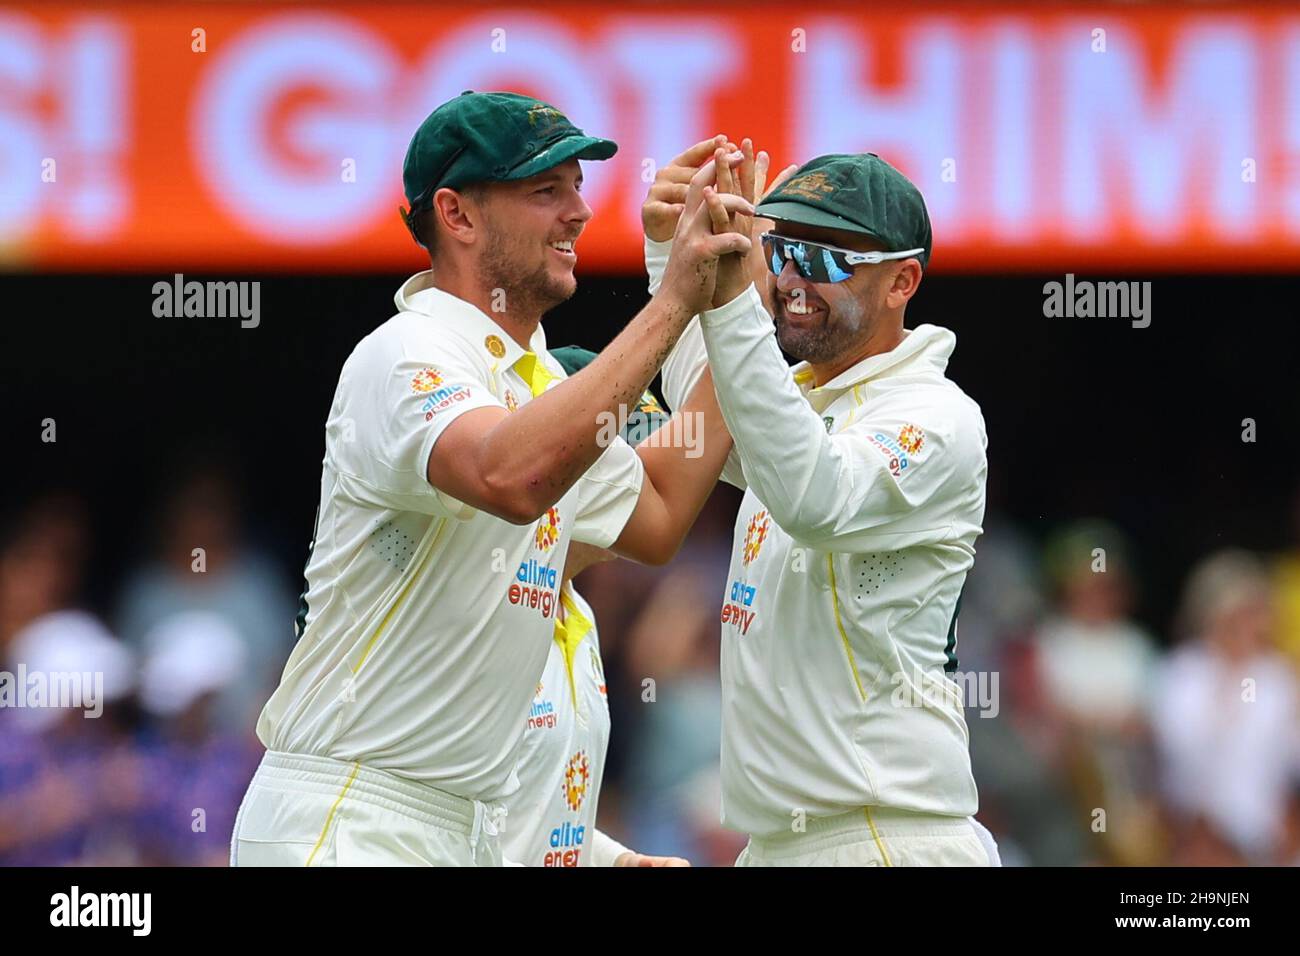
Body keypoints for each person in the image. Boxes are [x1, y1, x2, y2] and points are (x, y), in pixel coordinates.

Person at [232, 92, 751, 866]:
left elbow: (661, 511)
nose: (579, 212)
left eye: (577, 186)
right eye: (546, 191)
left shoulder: (540, 381)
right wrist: (674, 296)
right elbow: (510, 473)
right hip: (352, 814)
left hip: (456, 825)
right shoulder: (405, 352)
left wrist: (736, 308)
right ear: (458, 214)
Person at [648, 145, 997, 865]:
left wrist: (735, 302)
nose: (795, 277)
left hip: (886, 837)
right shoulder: (804, 406)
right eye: (784, 249)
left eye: (833, 257)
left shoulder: (936, 417)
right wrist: (672, 257)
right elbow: (700, 424)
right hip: (784, 843)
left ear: (903, 281)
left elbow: (815, 495)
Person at [499, 346, 688, 867]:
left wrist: (616, 859)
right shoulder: (476, 609)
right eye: (620, 475)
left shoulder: (578, 615)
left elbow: (523, 814)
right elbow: (433, 818)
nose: (638, 498)